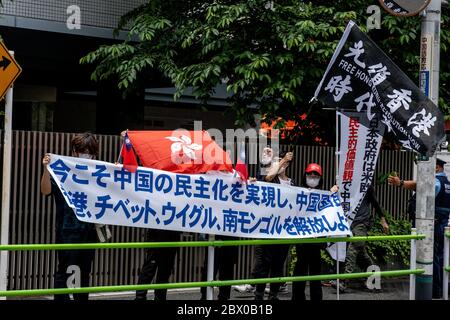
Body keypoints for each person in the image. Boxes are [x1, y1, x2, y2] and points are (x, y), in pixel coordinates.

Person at [41, 132, 99, 301]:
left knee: (84, 271)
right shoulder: (63, 169)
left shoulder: (97, 171)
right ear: (74, 151)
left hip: (88, 231)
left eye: (89, 151)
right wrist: (46, 169)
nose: (85, 154)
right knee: (65, 270)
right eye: (82, 150)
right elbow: (45, 191)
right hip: (67, 231)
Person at [388, 158, 450, 299]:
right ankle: (441, 289)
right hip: (443, 224)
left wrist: (401, 183)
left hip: (434, 225)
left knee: (432, 258)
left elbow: (422, 186)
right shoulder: (448, 184)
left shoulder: (437, 181)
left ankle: (435, 291)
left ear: (437, 168)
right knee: (441, 257)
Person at [292, 163, 338, 301]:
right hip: (301, 239)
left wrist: (332, 194)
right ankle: (297, 298)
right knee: (300, 270)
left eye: (315, 176)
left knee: (315, 273)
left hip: (317, 242)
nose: (312, 178)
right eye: (310, 175)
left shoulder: (324, 195)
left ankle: (316, 298)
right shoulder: (297, 192)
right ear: (305, 176)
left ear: (320, 178)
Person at [252, 149, 294, 300]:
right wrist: (282, 160)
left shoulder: (292, 183)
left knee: (278, 264)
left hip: (284, 231)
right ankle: (259, 295)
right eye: (277, 161)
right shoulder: (268, 178)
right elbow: (268, 176)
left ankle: (273, 295)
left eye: (284, 161)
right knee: (264, 263)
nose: (281, 164)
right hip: (268, 229)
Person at [339, 184, 389, 292]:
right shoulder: (346, 182)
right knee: (360, 252)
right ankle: (374, 277)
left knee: (354, 248)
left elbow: (375, 203)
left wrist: (383, 219)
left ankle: (344, 281)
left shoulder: (366, 184)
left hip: (361, 223)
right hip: (348, 223)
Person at [135, 229, 180, 300]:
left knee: (164, 273)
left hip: (172, 239)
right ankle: (140, 297)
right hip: (156, 238)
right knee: (148, 271)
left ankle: (159, 297)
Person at [200, 234, 238, 300]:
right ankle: (205, 295)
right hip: (215, 234)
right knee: (210, 268)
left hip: (229, 235)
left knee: (227, 268)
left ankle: (223, 297)